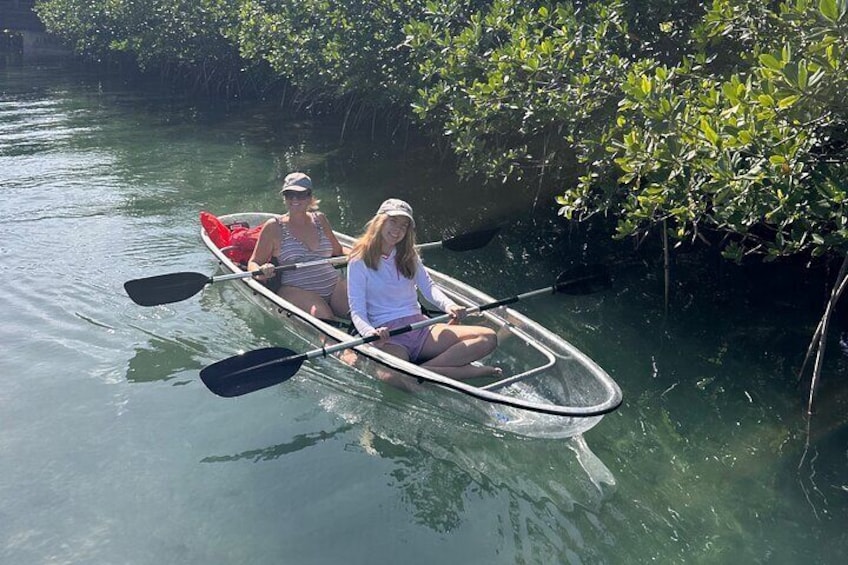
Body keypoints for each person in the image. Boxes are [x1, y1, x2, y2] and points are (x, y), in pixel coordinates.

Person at [347, 198, 500, 380]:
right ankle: (456, 372)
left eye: (404, 226)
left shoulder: (408, 255)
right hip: (389, 337)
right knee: (391, 377)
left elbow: (429, 287)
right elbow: (357, 311)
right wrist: (370, 333)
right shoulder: (358, 261)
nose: (397, 230)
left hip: (421, 328)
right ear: (380, 221)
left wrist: (449, 306)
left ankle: (426, 371)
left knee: (488, 338)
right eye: (393, 221)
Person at [248, 172, 349, 320]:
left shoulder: (320, 219)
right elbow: (254, 262)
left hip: (334, 286)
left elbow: (338, 251)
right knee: (325, 319)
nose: (294, 199)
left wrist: (361, 253)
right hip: (297, 290)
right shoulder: (273, 227)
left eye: (300, 195)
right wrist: (261, 271)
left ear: (309, 197)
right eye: (289, 194)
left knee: (361, 314)